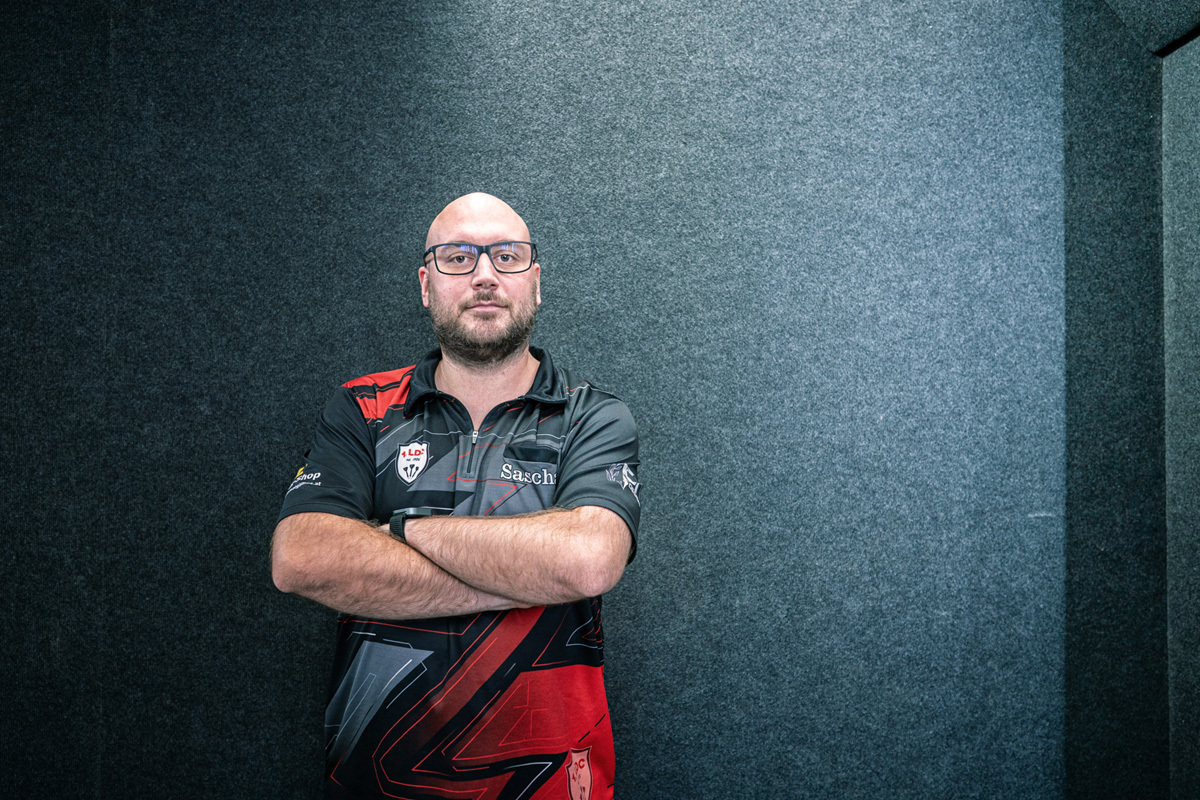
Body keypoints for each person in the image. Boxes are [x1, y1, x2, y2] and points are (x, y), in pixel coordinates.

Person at [271, 192, 642, 799]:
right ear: (426, 284)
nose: (485, 275)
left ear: (536, 282)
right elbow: (301, 557)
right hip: (377, 783)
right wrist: (527, 579)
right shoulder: (364, 409)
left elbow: (587, 561)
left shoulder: (591, 416)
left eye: (507, 256)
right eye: (458, 257)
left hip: (548, 784)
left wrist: (400, 530)